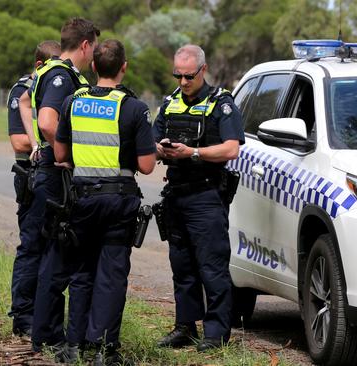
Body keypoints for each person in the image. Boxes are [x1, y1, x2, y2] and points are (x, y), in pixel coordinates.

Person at [54, 39, 156, 364]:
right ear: (124, 67)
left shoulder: (73, 101)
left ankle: (74, 346)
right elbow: (146, 166)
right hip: (118, 201)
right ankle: (103, 350)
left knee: (82, 272)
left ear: (94, 66)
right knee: (111, 275)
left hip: (81, 200)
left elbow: (59, 154)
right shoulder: (134, 108)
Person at [153, 44, 244, 352]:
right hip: (176, 195)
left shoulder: (222, 103)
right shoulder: (169, 103)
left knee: (212, 267)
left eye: (188, 76)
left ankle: (216, 334)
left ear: (203, 70)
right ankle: (185, 328)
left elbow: (232, 148)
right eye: (177, 75)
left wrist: (193, 152)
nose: (182, 82)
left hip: (206, 195)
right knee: (182, 266)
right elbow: (150, 143)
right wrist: (161, 149)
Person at [17, 17, 100, 357]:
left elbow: (25, 102)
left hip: (49, 170)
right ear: (85, 45)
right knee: (55, 252)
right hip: (55, 174)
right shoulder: (61, 75)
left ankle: (45, 331)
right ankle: (48, 334)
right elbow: (49, 120)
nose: (94, 52)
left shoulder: (55, 72)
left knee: (53, 250)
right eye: (93, 46)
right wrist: (64, 153)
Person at [8, 40, 61, 338]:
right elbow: (19, 141)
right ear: (40, 65)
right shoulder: (24, 90)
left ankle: (43, 314)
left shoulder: (51, 88)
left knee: (52, 247)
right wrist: (57, 139)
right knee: (31, 245)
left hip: (51, 176)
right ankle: (23, 315)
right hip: (30, 175)